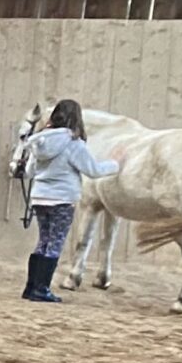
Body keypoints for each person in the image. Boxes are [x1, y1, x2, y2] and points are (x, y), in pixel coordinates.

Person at [13, 99, 124, 303]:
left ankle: (31, 287)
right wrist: (115, 163)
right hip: (61, 200)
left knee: (44, 241)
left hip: (39, 198)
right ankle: (42, 289)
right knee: (55, 243)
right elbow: (93, 171)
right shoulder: (74, 144)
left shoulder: (39, 141)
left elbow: (29, 172)